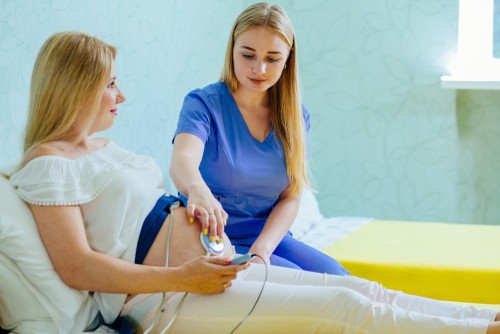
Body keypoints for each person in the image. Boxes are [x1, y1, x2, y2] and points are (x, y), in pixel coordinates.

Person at [9, 30, 500, 334]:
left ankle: (485, 315)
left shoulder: (97, 147)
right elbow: (77, 268)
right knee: (344, 308)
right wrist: (181, 277)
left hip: (212, 265)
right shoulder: (49, 163)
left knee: (360, 289)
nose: (121, 95)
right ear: (77, 87)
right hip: (165, 300)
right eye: (110, 83)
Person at [170, 2, 348, 275]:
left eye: (273, 58)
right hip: (212, 234)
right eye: (248, 55)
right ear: (232, 51)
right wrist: (197, 190)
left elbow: (291, 196)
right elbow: (183, 159)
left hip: (266, 237)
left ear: (288, 59)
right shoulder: (203, 104)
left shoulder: (296, 117)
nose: (259, 69)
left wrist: (262, 249)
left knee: (339, 279)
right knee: (302, 289)